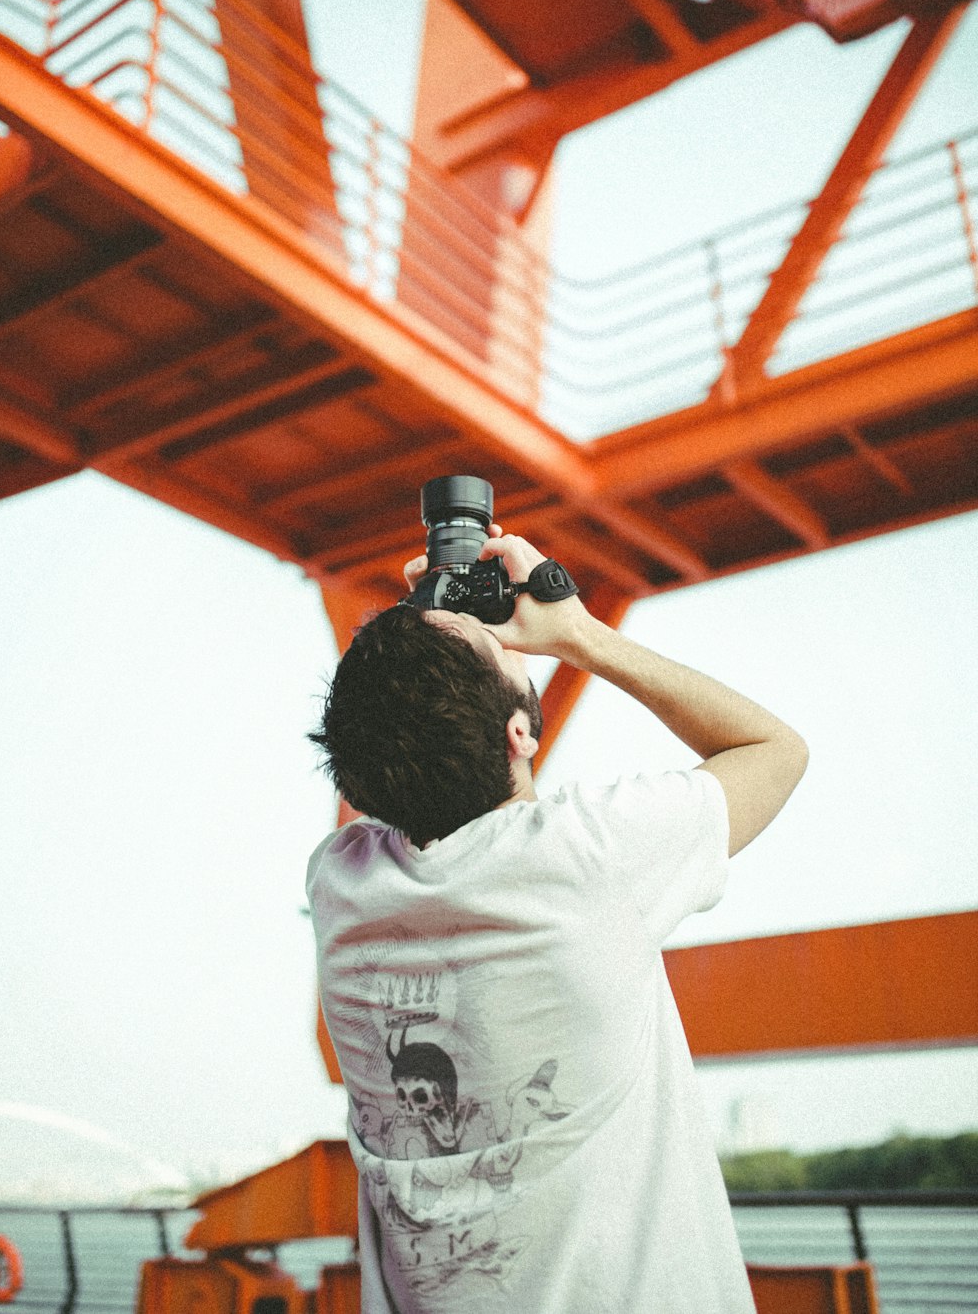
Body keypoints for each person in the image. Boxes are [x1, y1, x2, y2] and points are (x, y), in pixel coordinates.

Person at [307, 526, 808, 1313]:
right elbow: (774, 748)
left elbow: (398, 773)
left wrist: (414, 641)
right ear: (521, 732)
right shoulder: (589, 858)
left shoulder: (342, 884)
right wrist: (577, 633)